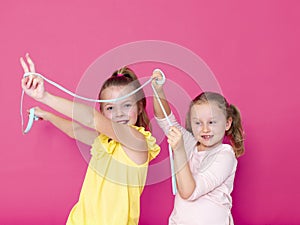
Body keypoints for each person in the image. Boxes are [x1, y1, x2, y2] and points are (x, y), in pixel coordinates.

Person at [20, 53, 160, 225]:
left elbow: (90, 118)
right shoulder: (105, 141)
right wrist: (48, 115)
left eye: (126, 105)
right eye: (110, 107)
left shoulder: (137, 140)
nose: (118, 113)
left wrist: (44, 97)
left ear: (139, 107)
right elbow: (76, 131)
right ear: (103, 112)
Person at [152, 70, 245, 225]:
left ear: (227, 123)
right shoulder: (190, 143)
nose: (205, 129)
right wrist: (158, 90)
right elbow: (164, 119)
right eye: (198, 123)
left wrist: (179, 151)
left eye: (212, 122)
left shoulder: (225, 155)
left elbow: (189, 192)